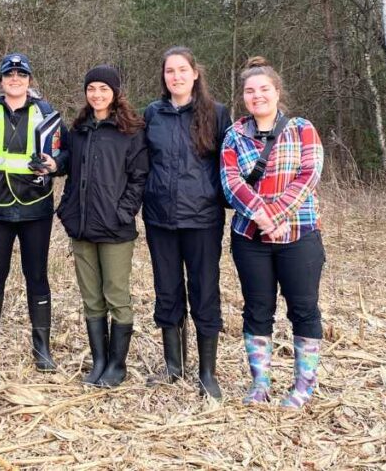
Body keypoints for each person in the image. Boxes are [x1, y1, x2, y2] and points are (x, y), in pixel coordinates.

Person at [221, 56, 326, 408]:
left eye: (264, 89)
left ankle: (303, 387)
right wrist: (262, 217)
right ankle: (260, 384)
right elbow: (230, 182)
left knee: (304, 308)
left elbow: (309, 174)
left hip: (299, 234)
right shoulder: (234, 134)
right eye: (250, 91)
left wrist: (279, 213)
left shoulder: (302, 128)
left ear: (277, 92)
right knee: (256, 309)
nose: (257, 96)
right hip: (250, 238)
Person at [0, 53, 70, 371]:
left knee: (37, 278)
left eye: (21, 74)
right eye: (9, 74)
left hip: (35, 209)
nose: (15, 79)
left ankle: (42, 351)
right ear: (0, 80)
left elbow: (66, 153)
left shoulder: (47, 113)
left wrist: (56, 165)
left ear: (29, 80)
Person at [142, 47, 232, 399]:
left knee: (204, 291)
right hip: (160, 218)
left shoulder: (217, 113)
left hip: (203, 219)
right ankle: (173, 366)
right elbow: (139, 161)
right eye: (169, 71)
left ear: (195, 73)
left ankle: (207, 372)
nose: (176, 76)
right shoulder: (153, 114)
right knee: (167, 290)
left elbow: (230, 164)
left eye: (182, 70)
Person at [55, 65, 148, 387]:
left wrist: (123, 213)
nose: (96, 94)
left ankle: (117, 366)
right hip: (81, 226)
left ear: (115, 92)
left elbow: (138, 178)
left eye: (103, 89)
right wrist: (66, 210)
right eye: (91, 88)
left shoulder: (131, 130)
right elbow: (70, 171)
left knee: (116, 296)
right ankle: (99, 362)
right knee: (91, 298)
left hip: (115, 229)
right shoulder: (79, 129)